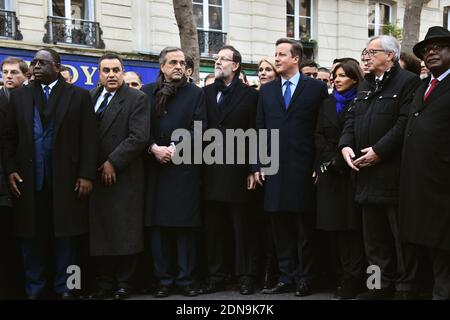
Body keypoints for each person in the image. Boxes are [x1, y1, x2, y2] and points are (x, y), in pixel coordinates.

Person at [2, 48, 97, 300]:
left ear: (57, 66)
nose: (36, 67)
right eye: (33, 63)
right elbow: (8, 138)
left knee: (66, 241)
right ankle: (35, 289)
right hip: (28, 181)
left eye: (42, 63)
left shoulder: (79, 96)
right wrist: (10, 170)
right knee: (30, 239)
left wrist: (87, 174)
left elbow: (89, 139)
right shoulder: (20, 97)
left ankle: (66, 288)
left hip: (66, 182)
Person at [339, 35, 421, 300]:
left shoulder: (408, 82)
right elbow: (351, 118)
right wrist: (345, 146)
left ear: (390, 56)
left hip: (392, 174)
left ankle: (405, 289)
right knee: (373, 242)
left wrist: (378, 152)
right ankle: (378, 286)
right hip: (364, 175)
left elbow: (403, 124)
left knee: (400, 239)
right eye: (364, 51)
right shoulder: (365, 84)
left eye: (372, 52)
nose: (365, 56)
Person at [255, 38, 328, 297]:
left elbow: (323, 129)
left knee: (303, 228)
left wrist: (319, 164)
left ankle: (305, 278)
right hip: (273, 169)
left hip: (304, 168)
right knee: (280, 226)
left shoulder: (316, 89)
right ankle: (285, 277)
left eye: (282, 54)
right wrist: (257, 164)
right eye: (275, 54)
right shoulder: (266, 90)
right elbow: (260, 130)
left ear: (296, 58)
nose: (276, 59)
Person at [142, 47, 206, 298]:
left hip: (184, 169)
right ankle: (163, 280)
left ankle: (186, 279)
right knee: (158, 229)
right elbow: (138, 127)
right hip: (155, 168)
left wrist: (175, 148)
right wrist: (153, 148)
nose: (178, 66)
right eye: (172, 62)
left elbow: (200, 127)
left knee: (184, 229)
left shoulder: (196, 94)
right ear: (162, 67)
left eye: (181, 62)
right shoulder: (147, 93)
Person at [89, 53, 150, 300]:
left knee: (125, 230)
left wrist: (113, 162)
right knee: (101, 231)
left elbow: (138, 137)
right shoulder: (91, 97)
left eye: (116, 70)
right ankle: (104, 282)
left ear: (123, 72)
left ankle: (125, 282)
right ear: (99, 74)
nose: (111, 74)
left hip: (123, 175)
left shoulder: (137, 98)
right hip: (95, 175)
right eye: (106, 70)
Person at [201, 45, 258, 295]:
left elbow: (257, 132)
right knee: (213, 228)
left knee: (242, 228)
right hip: (210, 171)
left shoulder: (251, 96)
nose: (217, 62)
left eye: (223, 59)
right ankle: (216, 275)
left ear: (235, 65)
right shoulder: (203, 93)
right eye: (216, 59)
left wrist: (252, 168)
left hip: (238, 172)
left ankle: (245, 276)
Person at [399, 26, 450, 300]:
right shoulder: (422, 86)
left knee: (444, 247)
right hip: (419, 182)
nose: (431, 53)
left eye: (438, 47)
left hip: (443, 183)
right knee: (428, 244)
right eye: (426, 50)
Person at [315, 60, 366, 299]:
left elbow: (356, 134)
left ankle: (353, 278)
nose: (336, 79)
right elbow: (318, 134)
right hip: (329, 173)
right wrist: (329, 159)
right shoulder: (326, 103)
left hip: (350, 172)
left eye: (343, 75)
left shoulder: (361, 101)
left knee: (351, 229)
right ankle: (339, 275)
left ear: (355, 79)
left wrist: (340, 158)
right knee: (333, 229)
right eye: (335, 75)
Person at [0, 56, 28, 299]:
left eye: (13, 73)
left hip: (27, 178)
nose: (8, 76)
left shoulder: (30, 100)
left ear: (25, 76)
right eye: (5, 72)